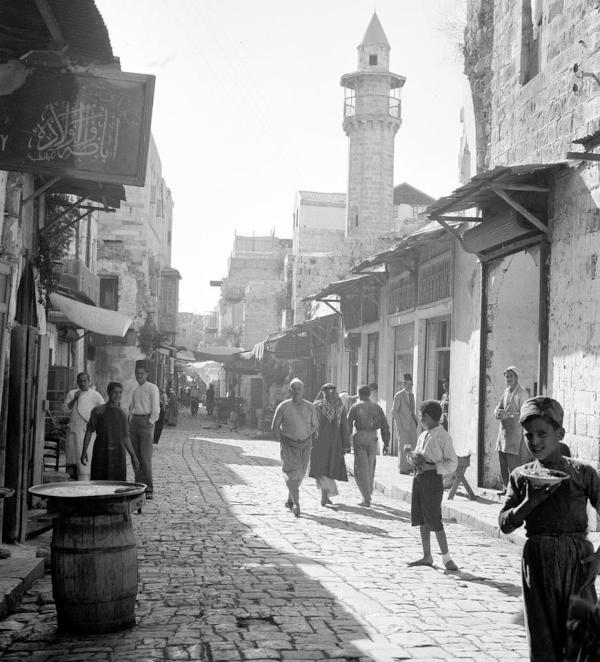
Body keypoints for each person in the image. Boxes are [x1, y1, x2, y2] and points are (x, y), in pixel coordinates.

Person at [499, 396, 600, 662]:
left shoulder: (583, 473)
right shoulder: (521, 476)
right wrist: (530, 503)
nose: (534, 441)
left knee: (585, 640)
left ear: (560, 433)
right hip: (538, 562)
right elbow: (505, 523)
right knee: (543, 642)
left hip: (578, 563)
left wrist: (598, 559)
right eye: (529, 435)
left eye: (542, 433)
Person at [407, 400, 458, 571]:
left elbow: (452, 463)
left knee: (434, 517)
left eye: (422, 416)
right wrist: (411, 456)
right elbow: (417, 455)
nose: (421, 419)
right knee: (422, 517)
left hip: (433, 479)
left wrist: (432, 467)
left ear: (428, 417)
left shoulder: (443, 437)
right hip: (420, 478)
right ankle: (427, 555)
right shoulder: (423, 435)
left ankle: (447, 558)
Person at [271, 378, 318, 518]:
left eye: (299, 388)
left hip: (305, 445)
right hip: (288, 445)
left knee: (300, 474)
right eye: (294, 388)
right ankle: (296, 504)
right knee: (291, 473)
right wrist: (283, 441)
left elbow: (315, 425)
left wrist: (308, 436)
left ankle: (290, 499)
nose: (297, 391)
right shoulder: (283, 406)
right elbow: (275, 426)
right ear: (290, 391)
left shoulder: (310, 407)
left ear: (302, 391)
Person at [80, 382, 140, 481]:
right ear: (108, 393)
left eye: (120, 392)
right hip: (101, 451)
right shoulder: (98, 411)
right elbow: (89, 431)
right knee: (99, 482)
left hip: (118, 454)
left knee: (117, 484)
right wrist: (84, 451)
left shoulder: (122, 414)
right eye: (115, 392)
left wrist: (133, 456)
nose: (117, 395)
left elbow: (125, 437)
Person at [347, 384, 390, 507]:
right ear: (369, 394)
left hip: (360, 436)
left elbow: (348, 424)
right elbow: (385, 426)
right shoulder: (377, 407)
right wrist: (386, 443)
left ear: (359, 394)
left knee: (361, 468)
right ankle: (368, 493)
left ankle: (366, 497)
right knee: (370, 466)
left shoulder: (355, 406)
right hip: (373, 437)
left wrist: (345, 442)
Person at [309, 384, 350, 507]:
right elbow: (344, 428)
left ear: (323, 393)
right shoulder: (340, 408)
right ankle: (325, 497)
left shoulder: (317, 407)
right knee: (329, 469)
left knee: (321, 469)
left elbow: (310, 424)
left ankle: (324, 496)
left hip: (318, 443)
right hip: (335, 444)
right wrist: (346, 445)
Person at [62, 372, 105, 480]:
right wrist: (75, 399)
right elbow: (65, 410)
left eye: (84, 381)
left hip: (87, 431)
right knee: (72, 460)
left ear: (89, 382)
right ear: (77, 382)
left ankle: (85, 482)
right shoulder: (72, 393)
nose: (82, 383)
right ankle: (71, 483)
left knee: (86, 459)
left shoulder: (95, 395)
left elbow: (103, 410)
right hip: (73, 431)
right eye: (80, 381)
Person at [494, 366, 529, 495]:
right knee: (503, 463)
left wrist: (509, 415)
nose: (508, 378)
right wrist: (497, 412)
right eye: (507, 376)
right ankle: (506, 488)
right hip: (503, 433)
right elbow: (498, 407)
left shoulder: (522, 393)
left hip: (515, 434)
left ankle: (516, 491)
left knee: (514, 465)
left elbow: (525, 414)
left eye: (511, 376)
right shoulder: (506, 391)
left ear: (517, 377)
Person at [129, 360, 160, 500]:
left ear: (147, 374)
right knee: (135, 456)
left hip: (146, 422)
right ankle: (139, 486)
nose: (139, 376)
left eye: (142, 373)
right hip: (134, 422)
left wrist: (150, 422)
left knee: (145, 457)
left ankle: (149, 489)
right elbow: (132, 408)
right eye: (137, 373)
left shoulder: (152, 388)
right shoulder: (135, 390)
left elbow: (156, 408)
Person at [392, 373, 419, 473]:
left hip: (412, 423)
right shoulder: (399, 395)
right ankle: (403, 469)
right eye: (408, 384)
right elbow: (394, 411)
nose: (410, 386)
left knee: (413, 445)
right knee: (403, 446)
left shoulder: (412, 395)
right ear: (404, 384)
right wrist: (399, 425)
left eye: (411, 384)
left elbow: (412, 410)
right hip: (403, 424)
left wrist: (415, 422)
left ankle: (411, 467)